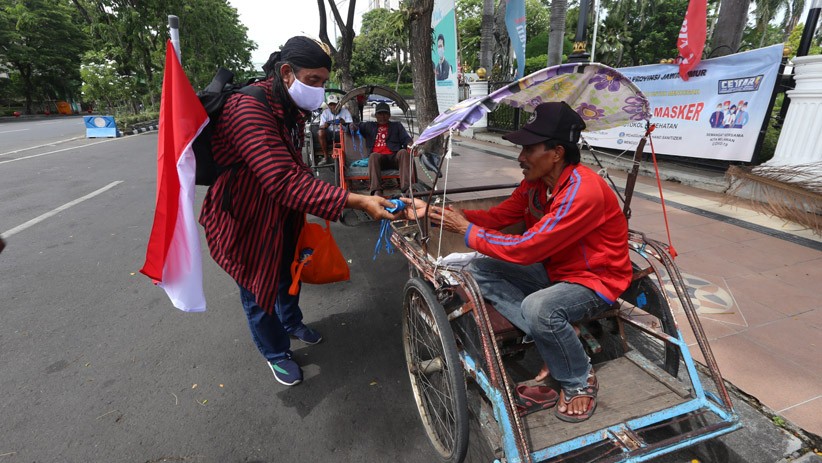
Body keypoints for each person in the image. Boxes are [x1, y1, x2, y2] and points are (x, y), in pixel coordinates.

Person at [403, 102, 632, 422]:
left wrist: (466, 230)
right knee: (478, 269)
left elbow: (528, 248)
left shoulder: (583, 191)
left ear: (556, 153)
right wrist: (445, 215)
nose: (521, 157)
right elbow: (499, 217)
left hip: (595, 280)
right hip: (556, 271)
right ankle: (555, 337)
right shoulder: (536, 185)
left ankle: (580, 379)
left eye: (528, 149)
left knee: (539, 308)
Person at [198, 36, 398, 387]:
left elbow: (295, 165)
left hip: (283, 214)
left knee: (290, 272)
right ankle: (275, 352)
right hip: (246, 218)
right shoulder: (247, 108)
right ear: (287, 72)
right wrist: (358, 200)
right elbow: (282, 180)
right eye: (314, 81)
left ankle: (290, 322)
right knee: (258, 289)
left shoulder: (291, 108)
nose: (319, 91)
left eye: (323, 82)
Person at [352, 102, 414, 197]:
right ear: (376, 115)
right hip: (379, 160)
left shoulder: (397, 126)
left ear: (389, 115)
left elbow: (406, 139)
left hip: (394, 157)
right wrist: (351, 126)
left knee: (403, 152)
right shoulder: (369, 125)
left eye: (385, 114)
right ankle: (376, 190)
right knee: (373, 155)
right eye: (380, 114)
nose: (383, 116)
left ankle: (406, 188)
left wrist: (410, 144)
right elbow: (355, 126)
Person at [317, 93, 353, 165]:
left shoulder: (345, 111)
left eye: (335, 104)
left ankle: (350, 156)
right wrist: (325, 125)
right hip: (330, 133)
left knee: (350, 130)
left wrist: (344, 123)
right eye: (331, 104)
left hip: (343, 133)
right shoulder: (325, 113)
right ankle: (326, 157)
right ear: (328, 105)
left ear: (338, 104)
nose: (333, 106)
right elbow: (321, 126)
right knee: (320, 132)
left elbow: (351, 124)